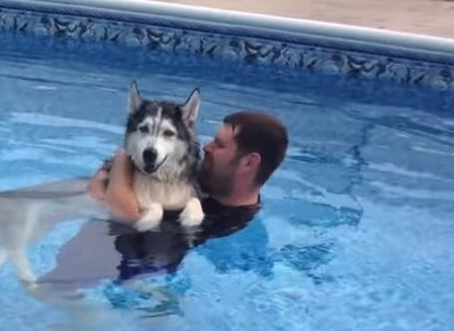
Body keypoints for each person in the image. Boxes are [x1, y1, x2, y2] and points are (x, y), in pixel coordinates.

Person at [33, 111, 289, 294]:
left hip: (105, 279)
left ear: (249, 163)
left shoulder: (226, 220)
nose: (207, 148)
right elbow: (103, 184)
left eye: (220, 145)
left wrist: (123, 157)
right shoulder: (204, 177)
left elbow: (125, 211)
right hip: (83, 258)